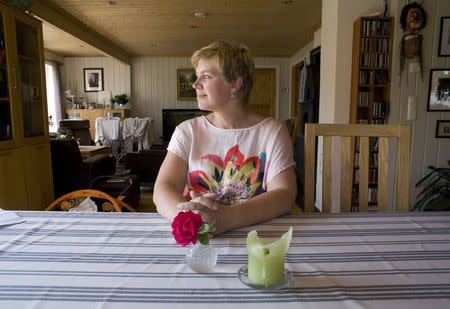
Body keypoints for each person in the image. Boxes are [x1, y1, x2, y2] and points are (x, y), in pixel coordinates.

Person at [153, 40, 296, 235]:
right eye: (197, 76)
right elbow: (163, 187)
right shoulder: (187, 132)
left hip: (258, 241)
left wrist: (227, 218)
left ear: (235, 84)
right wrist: (190, 219)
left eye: (206, 76)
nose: (195, 84)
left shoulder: (273, 131)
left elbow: (285, 195)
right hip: (202, 240)